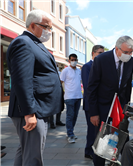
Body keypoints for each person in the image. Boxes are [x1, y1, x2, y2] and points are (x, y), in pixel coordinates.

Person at [6, 9, 64, 166]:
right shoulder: (23, 43)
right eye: (47, 27)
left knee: (25, 151)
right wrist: (29, 112)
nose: (49, 32)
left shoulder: (35, 43)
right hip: (33, 110)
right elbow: (22, 80)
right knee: (33, 157)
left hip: (39, 108)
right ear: (32, 25)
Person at [87, 36, 133, 166]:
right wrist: (93, 113)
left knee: (123, 141)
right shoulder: (101, 60)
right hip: (103, 107)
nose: (128, 55)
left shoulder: (131, 61)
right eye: (126, 52)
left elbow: (127, 86)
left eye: (131, 52)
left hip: (120, 109)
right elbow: (91, 87)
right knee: (102, 143)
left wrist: (127, 108)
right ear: (117, 49)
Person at [81, 45, 105, 159]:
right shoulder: (87, 66)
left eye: (103, 53)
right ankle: (88, 151)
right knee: (92, 129)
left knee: (98, 130)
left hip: (100, 103)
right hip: (91, 104)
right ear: (93, 53)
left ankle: (95, 150)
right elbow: (87, 86)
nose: (102, 55)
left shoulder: (101, 66)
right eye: (100, 53)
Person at [60, 53, 82, 144]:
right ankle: (70, 135)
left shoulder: (79, 71)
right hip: (69, 97)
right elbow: (60, 82)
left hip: (78, 96)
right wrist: (62, 92)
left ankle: (70, 132)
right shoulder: (65, 71)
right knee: (70, 116)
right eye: (72, 60)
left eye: (75, 60)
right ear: (69, 61)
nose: (74, 61)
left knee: (75, 116)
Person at [49, 64, 65, 129]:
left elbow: (62, 82)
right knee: (51, 108)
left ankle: (58, 121)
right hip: (51, 91)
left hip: (59, 91)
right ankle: (51, 123)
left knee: (60, 106)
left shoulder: (60, 73)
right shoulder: (49, 73)